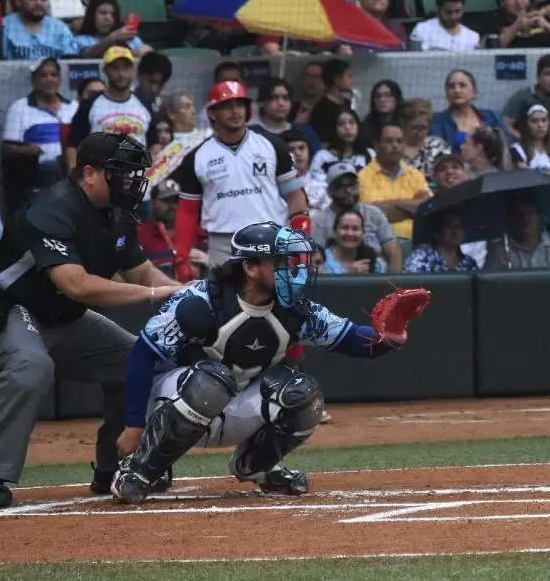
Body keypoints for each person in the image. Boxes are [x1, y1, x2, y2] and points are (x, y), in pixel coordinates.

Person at [109, 222, 422, 503]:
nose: (290, 270)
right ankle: (140, 470)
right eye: (280, 263)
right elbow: (143, 354)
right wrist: (134, 424)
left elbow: (353, 339)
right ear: (250, 267)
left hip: (231, 404)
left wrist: (388, 337)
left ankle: (258, 466)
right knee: (212, 380)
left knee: (303, 393)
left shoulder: (295, 310)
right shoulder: (201, 301)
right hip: (175, 401)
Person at [0, 133, 182, 509]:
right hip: (7, 306)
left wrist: (189, 291)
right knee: (30, 365)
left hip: (63, 316)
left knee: (142, 359)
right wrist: (155, 295)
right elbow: (76, 285)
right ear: (89, 173)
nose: (132, 181)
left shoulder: (119, 213)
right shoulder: (51, 207)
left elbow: (143, 273)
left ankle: (122, 466)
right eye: (121, 173)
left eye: (134, 173)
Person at [171, 81, 310, 278]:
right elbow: (187, 211)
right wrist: (181, 257)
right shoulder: (197, 157)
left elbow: (295, 197)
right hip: (223, 245)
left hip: (270, 238)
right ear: (212, 112)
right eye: (227, 105)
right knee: (227, 305)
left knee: (273, 305)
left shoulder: (274, 145)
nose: (235, 111)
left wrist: (301, 242)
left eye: (240, 104)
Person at [1, 58, 77, 208]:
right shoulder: (20, 108)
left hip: (70, 166)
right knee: (51, 166)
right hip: (38, 170)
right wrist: (26, 150)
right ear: (33, 81)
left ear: (60, 79)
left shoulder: (73, 107)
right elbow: (6, 148)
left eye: (54, 75)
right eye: (43, 75)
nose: (49, 79)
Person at [65, 48, 153, 169]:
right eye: (115, 68)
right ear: (105, 70)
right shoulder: (90, 103)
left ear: (133, 70)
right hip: (100, 176)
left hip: (137, 177)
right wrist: (73, 176)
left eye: (125, 68)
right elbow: (73, 145)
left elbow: (154, 143)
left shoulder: (145, 103)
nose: (121, 74)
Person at [311, 162, 403, 272]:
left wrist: (393, 284)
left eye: (352, 185)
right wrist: (345, 272)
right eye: (341, 186)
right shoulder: (319, 220)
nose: (348, 190)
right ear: (329, 191)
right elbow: (314, 263)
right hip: (335, 279)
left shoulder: (374, 213)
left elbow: (394, 252)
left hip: (376, 275)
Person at [359, 124, 432, 240]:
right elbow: (374, 214)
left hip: (418, 240)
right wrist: (413, 206)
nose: (395, 146)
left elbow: (428, 207)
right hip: (380, 242)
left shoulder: (415, 175)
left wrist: (391, 205)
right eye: (388, 141)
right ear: (377, 146)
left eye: (399, 141)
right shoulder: (363, 177)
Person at [430, 69, 511, 151]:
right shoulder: (437, 121)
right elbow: (437, 152)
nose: (457, 90)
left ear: (474, 92)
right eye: (451, 86)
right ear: (446, 94)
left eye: (462, 85)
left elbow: (508, 145)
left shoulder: (493, 116)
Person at [1, 0, 83, 60]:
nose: (38, 3)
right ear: (19, 0)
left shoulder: (59, 27)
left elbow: (71, 60)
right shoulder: (4, 26)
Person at [494, 195, 550, 270]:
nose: (524, 218)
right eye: (518, 214)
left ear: (539, 216)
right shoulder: (500, 252)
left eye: (529, 212)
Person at [247, 77, 322, 153]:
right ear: (262, 103)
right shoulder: (251, 134)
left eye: (285, 98)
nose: (281, 103)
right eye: (275, 98)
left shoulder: (304, 131)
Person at [409, 0, 481, 52]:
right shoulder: (421, 30)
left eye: (457, 11)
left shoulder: (472, 37)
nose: (453, 17)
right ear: (438, 9)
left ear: (463, 9)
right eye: (448, 12)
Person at [73, 0, 151, 57]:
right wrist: (112, 38)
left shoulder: (130, 38)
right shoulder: (81, 40)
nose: (108, 18)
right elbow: (85, 56)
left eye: (113, 14)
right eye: (103, 13)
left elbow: (146, 52)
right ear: (92, 16)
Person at [404, 210, 479, 273]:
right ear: (436, 232)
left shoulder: (469, 263)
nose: (454, 231)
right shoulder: (422, 257)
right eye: (448, 226)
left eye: (458, 226)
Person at [511, 105, 550, 179]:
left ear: (548, 123)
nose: (540, 125)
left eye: (544, 120)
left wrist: (542, 172)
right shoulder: (517, 149)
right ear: (527, 125)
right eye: (534, 121)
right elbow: (525, 176)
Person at [310, 107, 375, 178]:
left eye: (351, 122)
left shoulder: (370, 154)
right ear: (335, 129)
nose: (347, 127)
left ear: (358, 126)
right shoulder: (323, 156)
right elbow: (313, 182)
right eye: (341, 124)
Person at [398, 99, 451, 182]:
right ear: (403, 126)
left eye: (423, 128)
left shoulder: (437, 145)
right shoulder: (394, 148)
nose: (419, 133)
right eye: (414, 128)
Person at [323, 208, 386, 274]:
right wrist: (348, 275)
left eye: (355, 229)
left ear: (363, 233)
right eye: (345, 228)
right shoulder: (321, 261)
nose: (350, 233)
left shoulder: (375, 262)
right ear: (335, 232)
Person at [363, 80, 402, 144]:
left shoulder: (405, 123)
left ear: (396, 98)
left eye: (387, 95)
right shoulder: (366, 127)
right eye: (378, 96)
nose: (382, 100)